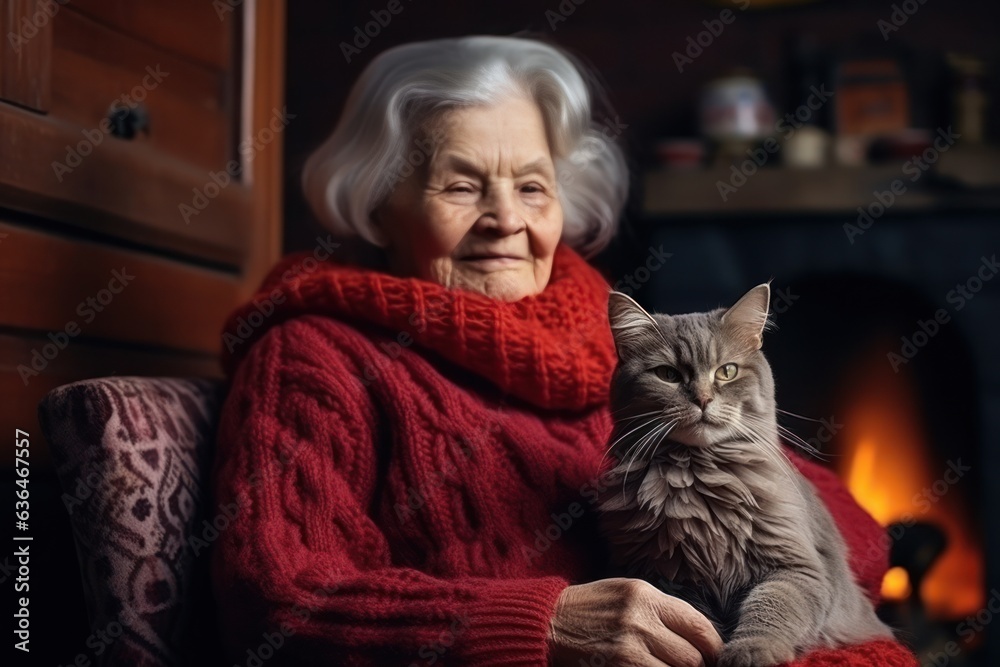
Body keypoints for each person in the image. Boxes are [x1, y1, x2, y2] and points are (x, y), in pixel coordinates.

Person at [210, 35, 915, 666]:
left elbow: (834, 527)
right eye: (462, 184)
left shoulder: (610, 332)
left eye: (532, 186)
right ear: (377, 202)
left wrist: (802, 583)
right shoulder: (313, 354)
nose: (507, 220)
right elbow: (276, 600)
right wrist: (534, 624)